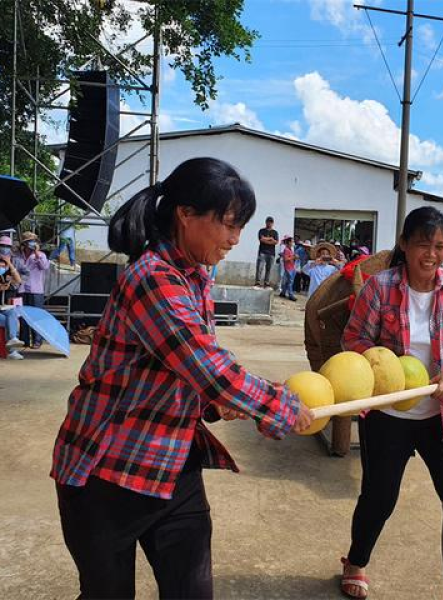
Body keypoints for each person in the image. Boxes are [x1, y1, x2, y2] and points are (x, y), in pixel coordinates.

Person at [50, 157, 313, 600]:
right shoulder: (153, 278)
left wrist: (215, 404)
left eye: (241, 226)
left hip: (172, 466)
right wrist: (278, 406)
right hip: (107, 473)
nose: (235, 239)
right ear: (185, 215)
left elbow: (182, 372)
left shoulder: (195, 279)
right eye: (228, 224)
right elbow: (206, 366)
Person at [339, 206, 443, 600]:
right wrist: (384, 368)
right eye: (423, 244)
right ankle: (356, 561)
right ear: (405, 245)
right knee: (379, 497)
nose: (431, 254)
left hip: (442, 413)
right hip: (389, 413)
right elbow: (353, 339)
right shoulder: (380, 287)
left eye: (440, 246)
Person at [16, 231, 50, 349]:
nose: (32, 243)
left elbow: (44, 266)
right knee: (23, 316)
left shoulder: (41, 255)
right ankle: (24, 340)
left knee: (36, 316)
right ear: (24, 244)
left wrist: (36, 253)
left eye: (33, 241)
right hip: (21, 289)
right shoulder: (18, 256)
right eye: (29, 241)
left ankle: (37, 340)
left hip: (36, 290)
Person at [0, 236, 25, 360]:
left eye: (7, 247)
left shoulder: (10, 266)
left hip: (4, 306)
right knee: (10, 320)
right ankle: (12, 349)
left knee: (12, 314)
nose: (4, 249)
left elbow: (19, 280)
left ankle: (13, 344)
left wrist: (9, 263)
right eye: (2, 246)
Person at [254, 216, 279, 288]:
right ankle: (257, 282)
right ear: (266, 222)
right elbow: (261, 240)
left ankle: (266, 283)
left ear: (273, 223)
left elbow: (276, 242)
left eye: (271, 222)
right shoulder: (261, 231)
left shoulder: (275, 232)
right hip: (262, 252)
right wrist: (271, 239)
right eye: (268, 222)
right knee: (259, 268)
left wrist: (266, 239)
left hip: (271, 254)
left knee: (269, 269)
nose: (269, 223)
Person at [279, 235, 298, 301]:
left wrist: (294, 257)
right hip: (288, 267)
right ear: (289, 242)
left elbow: (290, 258)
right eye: (292, 241)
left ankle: (283, 293)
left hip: (291, 267)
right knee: (290, 282)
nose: (293, 242)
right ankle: (290, 294)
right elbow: (285, 259)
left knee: (288, 281)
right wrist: (293, 257)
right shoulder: (286, 250)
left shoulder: (290, 250)